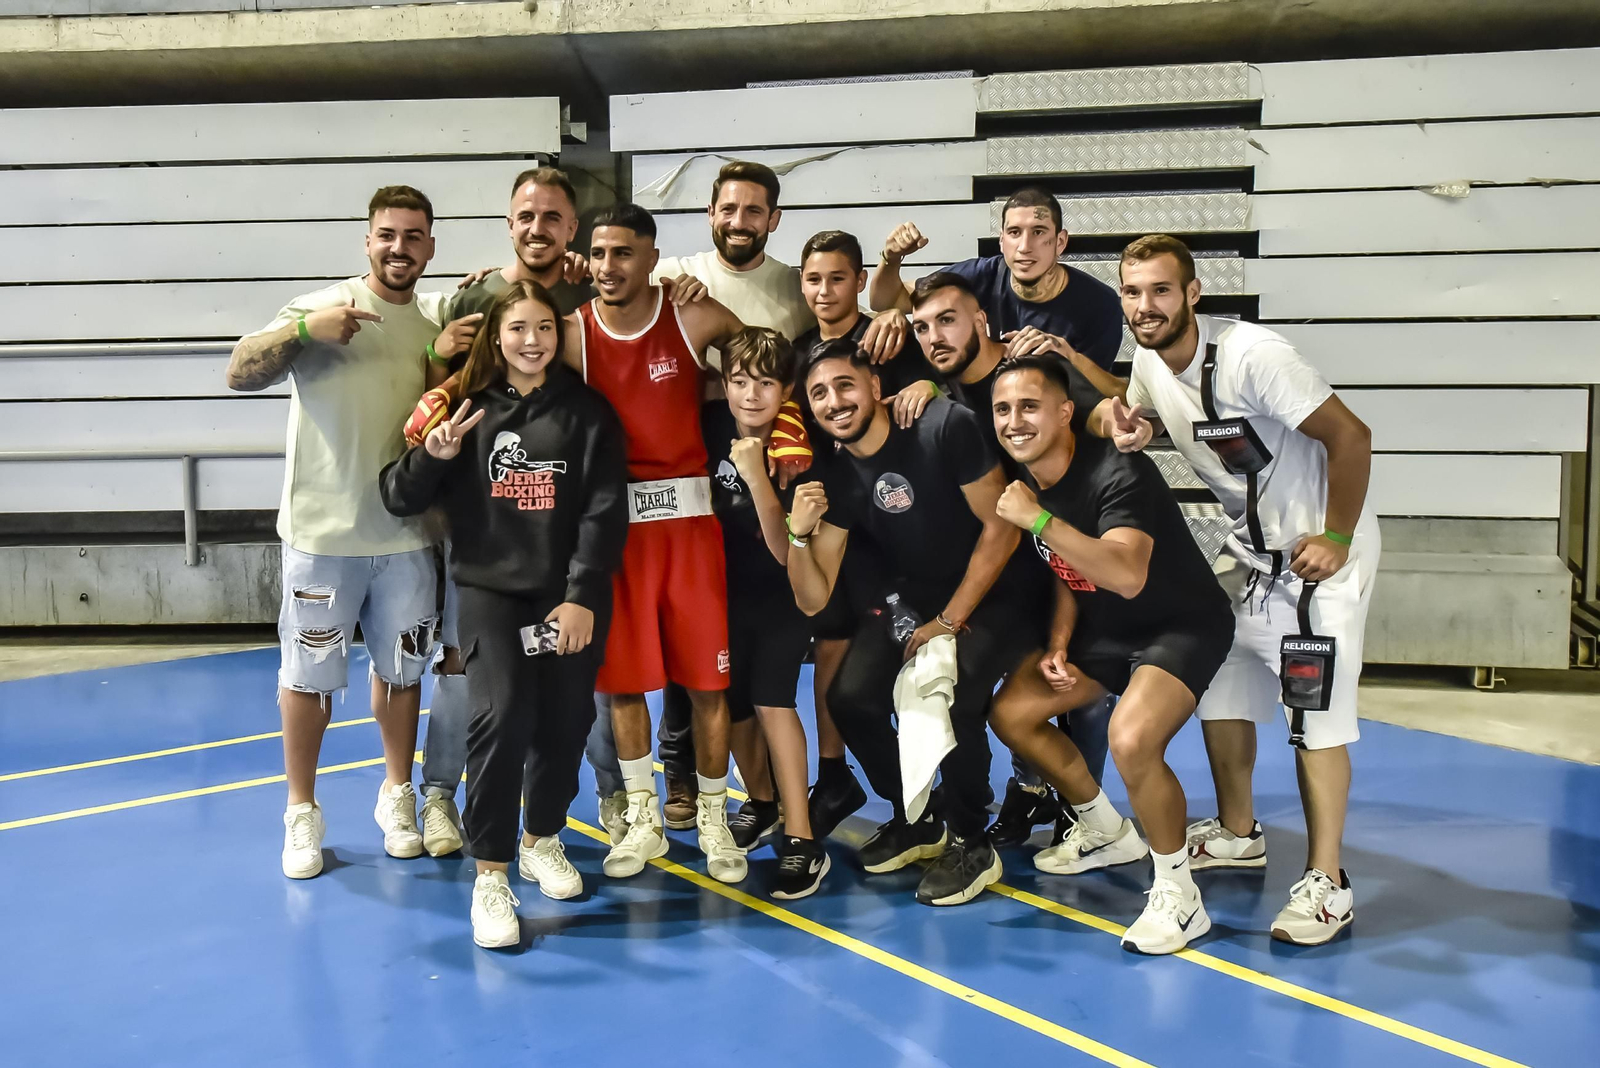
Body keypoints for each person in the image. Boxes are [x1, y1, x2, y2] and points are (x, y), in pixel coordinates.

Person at [1089, 234, 1378, 947]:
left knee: (1313, 715)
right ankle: (1238, 831)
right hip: (1250, 555)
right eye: (1133, 292)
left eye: (1161, 290)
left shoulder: (1255, 356)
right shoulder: (1149, 361)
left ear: (1193, 293)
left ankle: (1328, 882)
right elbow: (1134, 412)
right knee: (1221, 683)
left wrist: (1336, 537)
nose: (1146, 306)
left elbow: (1351, 436)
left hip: (1315, 559)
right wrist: (1124, 423)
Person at [643, 164, 905, 836]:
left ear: (773, 219)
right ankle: (749, 795)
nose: (738, 220)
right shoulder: (675, 276)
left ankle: (841, 806)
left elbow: (887, 317)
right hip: (724, 560)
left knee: (799, 682)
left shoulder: (795, 290)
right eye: (728, 208)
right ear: (710, 212)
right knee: (719, 691)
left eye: (753, 210)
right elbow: (608, 290)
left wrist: (899, 314)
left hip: (819, 531)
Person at [379, 280, 628, 948]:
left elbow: (604, 512)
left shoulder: (588, 413)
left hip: (564, 600)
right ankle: (490, 874)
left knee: (567, 720)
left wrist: (581, 596)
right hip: (491, 595)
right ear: (496, 336)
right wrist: (431, 457)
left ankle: (540, 838)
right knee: (502, 713)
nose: (531, 340)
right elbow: (398, 496)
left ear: (558, 335)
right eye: (517, 328)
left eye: (543, 327)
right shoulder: (465, 408)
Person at [226, 185, 447, 880]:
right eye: (388, 234)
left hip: (407, 536)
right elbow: (239, 371)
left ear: (430, 247)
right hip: (323, 537)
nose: (399, 247)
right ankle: (301, 810)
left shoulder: (434, 321)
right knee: (308, 679)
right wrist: (302, 333)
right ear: (368, 240)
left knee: (402, 672)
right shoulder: (320, 307)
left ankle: (397, 795)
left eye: (413, 236)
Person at [986, 354, 1235, 955]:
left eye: (1029, 407)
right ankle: (1103, 828)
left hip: (1180, 625)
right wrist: (1060, 640)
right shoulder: (1030, 476)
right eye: (1002, 409)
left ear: (1065, 412)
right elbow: (1066, 568)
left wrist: (1037, 519)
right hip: (1106, 632)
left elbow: (1124, 574)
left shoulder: (1119, 470)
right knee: (1012, 712)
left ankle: (1179, 894)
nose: (1014, 422)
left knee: (1131, 739)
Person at [786, 340, 1030, 907]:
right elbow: (813, 598)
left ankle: (972, 840)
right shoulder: (837, 474)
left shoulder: (944, 425)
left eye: (844, 385)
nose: (834, 401)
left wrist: (949, 620)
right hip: (915, 598)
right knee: (849, 699)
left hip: (998, 590)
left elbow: (1002, 529)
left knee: (954, 695)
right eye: (819, 394)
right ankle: (919, 816)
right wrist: (798, 535)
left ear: (875, 386)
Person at [405, 167, 601, 859]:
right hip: (485, 531)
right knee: (468, 673)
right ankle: (439, 794)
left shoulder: (590, 289)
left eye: (552, 217)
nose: (538, 228)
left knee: (566, 693)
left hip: (555, 535)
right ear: (509, 224)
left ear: (572, 228)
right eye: (527, 216)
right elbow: (443, 391)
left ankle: (573, 812)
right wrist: (435, 356)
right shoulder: (474, 295)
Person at [901, 270, 1115, 848]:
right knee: (1027, 681)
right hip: (1023, 563)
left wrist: (1118, 422)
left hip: (1079, 549)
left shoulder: (1029, 368)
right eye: (922, 327)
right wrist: (926, 382)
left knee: (1080, 692)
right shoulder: (946, 387)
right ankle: (1032, 787)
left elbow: (1095, 412)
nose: (935, 336)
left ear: (981, 320)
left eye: (948, 320)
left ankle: (1083, 814)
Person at [575, 202, 749, 884]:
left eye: (623, 252)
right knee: (624, 686)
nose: (608, 266)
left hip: (691, 529)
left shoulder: (692, 315)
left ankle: (712, 818)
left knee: (707, 683)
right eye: (598, 253)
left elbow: (761, 360)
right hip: (616, 534)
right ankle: (643, 818)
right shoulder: (573, 332)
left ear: (653, 259)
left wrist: (745, 414)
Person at [791, 229, 941, 841]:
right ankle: (839, 777)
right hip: (834, 516)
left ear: (858, 281)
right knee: (833, 646)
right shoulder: (799, 352)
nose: (825, 291)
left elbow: (941, 379)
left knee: (923, 678)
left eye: (837, 278)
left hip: (902, 530)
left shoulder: (887, 338)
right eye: (813, 279)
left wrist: (929, 383)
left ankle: (957, 802)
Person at [704, 326, 829, 898]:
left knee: (773, 700)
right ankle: (762, 803)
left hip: (783, 594)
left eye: (765, 383)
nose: (751, 395)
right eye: (739, 381)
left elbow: (785, 552)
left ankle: (803, 838)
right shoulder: (711, 425)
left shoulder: (799, 451)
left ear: (787, 390)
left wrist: (756, 475)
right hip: (721, 592)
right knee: (731, 704)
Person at [869, 187, 1126, 399]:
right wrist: (891, 262)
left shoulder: (1100, 305)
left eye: (1038, 232)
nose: (1025, 247)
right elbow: (887, 300)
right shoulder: (981, 275)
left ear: (1060, 242)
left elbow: (1105, 396)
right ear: (1002, 241)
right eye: (1014, 233)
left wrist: (1070, 357)